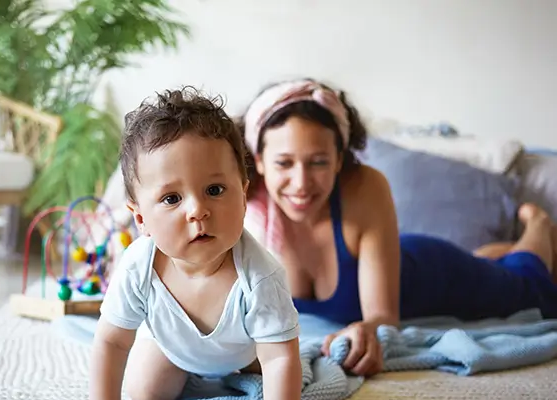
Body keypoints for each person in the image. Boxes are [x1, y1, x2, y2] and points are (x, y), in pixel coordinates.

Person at [62, 87, 318, 400]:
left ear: (244, 195)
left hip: (245, 350)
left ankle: (233, 375)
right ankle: (192, 375)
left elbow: (279, 358)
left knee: (284, 371)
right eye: (170, 199)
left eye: (215, 190)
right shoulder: (138, 268)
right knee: (146, 391)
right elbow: (112, 341)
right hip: (174, 350)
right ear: (140, 218)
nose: (198, 210)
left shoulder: (260, 274)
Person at [239, 78, 557, 377]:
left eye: (318, 162)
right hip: (397, 256)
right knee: (489, 264)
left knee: (531, 287)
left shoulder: (364, 186)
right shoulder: (242, 209)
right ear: (260, 160)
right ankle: (489, 257)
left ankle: (537, 225)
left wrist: (370, 328)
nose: (301, 183)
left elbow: (382, 317)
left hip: (434, 274)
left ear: (338, 159)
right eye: (284, 163)